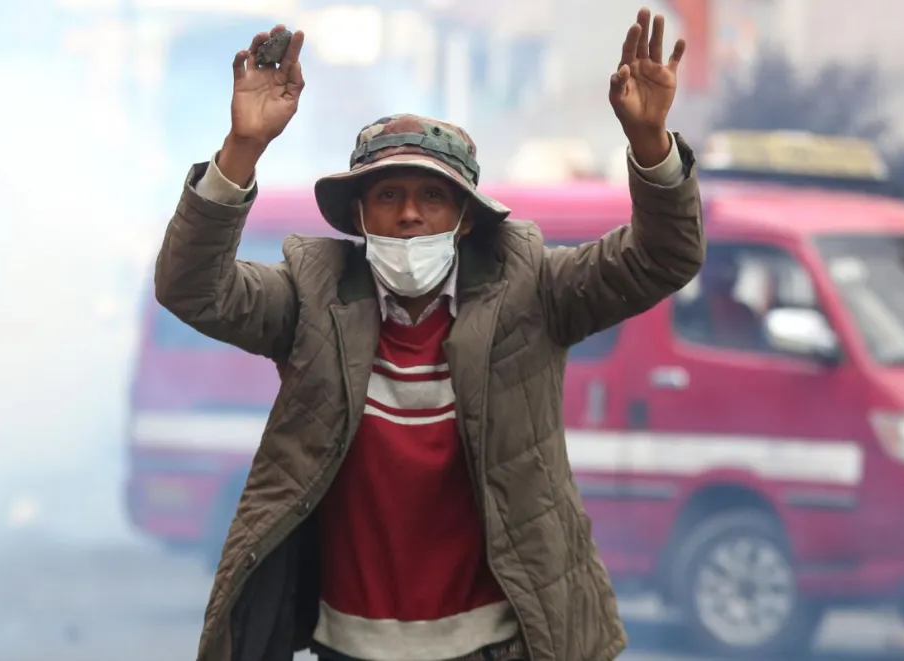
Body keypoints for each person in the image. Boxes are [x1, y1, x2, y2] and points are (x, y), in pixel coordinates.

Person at [155, 8, 705, 661]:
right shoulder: (311, 297)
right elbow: (191, 286)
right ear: (359, 216)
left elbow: (661, 258)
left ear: (465, 219)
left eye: (431, 195)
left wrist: (650, 145)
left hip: (494, 644)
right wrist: (240, 150)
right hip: (346, 646)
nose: (410, 213)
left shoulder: (531, 291)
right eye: (388, 194)